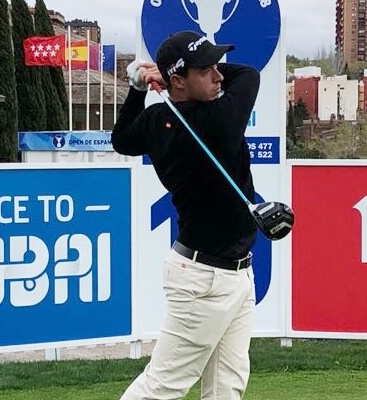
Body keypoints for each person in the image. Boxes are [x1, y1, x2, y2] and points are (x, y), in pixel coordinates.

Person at [112, 30, 260, 400]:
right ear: (178, 81)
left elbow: (122, 139)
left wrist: (138, 89)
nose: (219, 76)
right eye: (206, 70)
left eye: (217, 66)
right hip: (204, 280)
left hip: (233, 273)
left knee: (227, 386)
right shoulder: (221, 118)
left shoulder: (158, 120)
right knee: (163, 385)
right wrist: (163, 76)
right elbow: (249, 75)